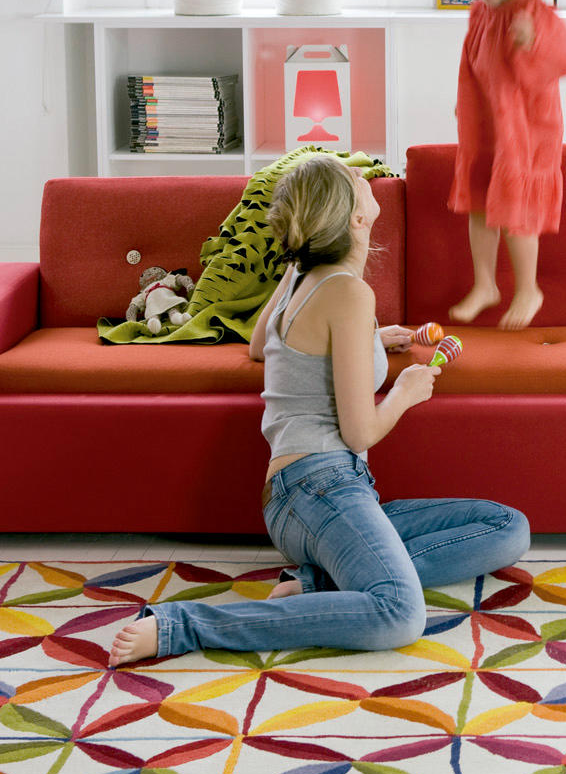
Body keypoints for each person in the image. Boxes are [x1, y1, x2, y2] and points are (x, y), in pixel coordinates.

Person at [108, 153, 530, 667]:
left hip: (303, 497)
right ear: (356, 217)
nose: (363, 176)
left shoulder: (303, 277)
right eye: (354, 179)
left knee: (508, 526)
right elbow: (359, 433)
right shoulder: (348, 292)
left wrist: (369, 340)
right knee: (399, 613)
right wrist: (406, 391)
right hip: (321, 487)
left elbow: (262, 346)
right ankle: (186, 625)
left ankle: (317, 584)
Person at [447, 0, 566, 329]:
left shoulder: (535, 15)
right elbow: (473, 62)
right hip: (485, 129)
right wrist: (465, 105)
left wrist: (532, 42)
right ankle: (485, 284)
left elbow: (563, 60)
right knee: (479, 205)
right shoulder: (481, 12)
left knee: (516, 210)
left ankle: (527, 288)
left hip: (526, 132)